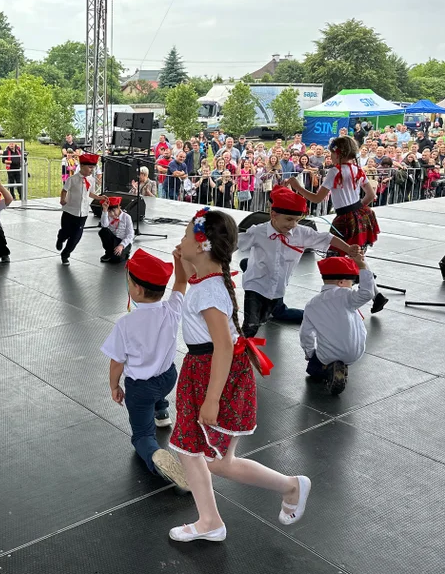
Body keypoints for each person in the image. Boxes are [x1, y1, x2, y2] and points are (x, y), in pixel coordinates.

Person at [168, 208, 309, 543]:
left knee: (208, 458)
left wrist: (213, 398)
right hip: (205, 369)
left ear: (202, 245)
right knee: (201, 454)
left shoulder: (211, 292)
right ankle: (211, 521)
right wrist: (180, 262)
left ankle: (288, 487)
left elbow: (223, 348)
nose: (182, 240)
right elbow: (189, 276)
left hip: (215, 372)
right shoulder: (207, 277)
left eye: (187, 235)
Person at [100, 249, 188, 491]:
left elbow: (117, 361)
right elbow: (181, 281)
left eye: (128, 281)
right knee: (158, 392)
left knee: (141, 435)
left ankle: (155, 455)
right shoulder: (172, 309)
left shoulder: (126, 324)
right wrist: (178, 261)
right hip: (169, 377)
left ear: (137, 289)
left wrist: (114, 386)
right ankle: (162, 413)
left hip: (141, 388)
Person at [238, 186, 359, 339]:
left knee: (271, 315)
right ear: (273, 214)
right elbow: (233, 243)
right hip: (255, 284)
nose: (293, 224)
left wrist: (348, 249)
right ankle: (238, 355)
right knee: (251, 325)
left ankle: (316, 316)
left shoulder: (301, 233)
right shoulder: (258, 232)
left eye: (297, 220)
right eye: (288, 219)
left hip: (277, 287)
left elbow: (327, 238)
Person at [286, 136, 389, 313]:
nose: (330, 156)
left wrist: (298, 187)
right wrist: (357, 209)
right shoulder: (357, 169)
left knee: (339, 257)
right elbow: (371, 196)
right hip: (360, 215)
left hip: (344, 219)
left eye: (332, 153)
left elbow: (317, 198)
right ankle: (376, 293)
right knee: (357, 256)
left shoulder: (335, 172)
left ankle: (342, 296)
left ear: (339, 153)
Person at [301, 253, 374, 395]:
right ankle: (340, 366)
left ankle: (327, 370)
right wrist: (363, 266)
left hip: (327, 355)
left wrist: (309, 353)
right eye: (351, 283)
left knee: (312, 369)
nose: (352, 287)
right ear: (342, 282)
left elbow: (306, 334)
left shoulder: (311, 304)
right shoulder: (348, 297)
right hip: (355, 353)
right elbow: (367, 293)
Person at [56, 152, 103, 266]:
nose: (91, 170)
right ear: (82, 166)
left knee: (76, 236)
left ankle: (66, 254)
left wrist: (99, 197)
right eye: (90, 167)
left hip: (83, 212)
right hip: (70, 211)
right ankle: (61, 237)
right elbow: (64, 190)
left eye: (93, 168)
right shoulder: (72, 179)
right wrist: (63, 200)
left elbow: (89, 193)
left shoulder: (91, 180)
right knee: (66, 231)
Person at [98, 196, 133, 264]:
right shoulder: (108, 216)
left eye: (114, 211)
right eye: (110, 211)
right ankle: (109, 253)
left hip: (124, 242)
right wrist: (105, 211)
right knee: (103, 231)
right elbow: (104, 225)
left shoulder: (127, 217)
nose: (112, 214)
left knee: (116, 260)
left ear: (119, 207)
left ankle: (124, 253)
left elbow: (130, 235)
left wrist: (121, 246)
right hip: (113, 241)